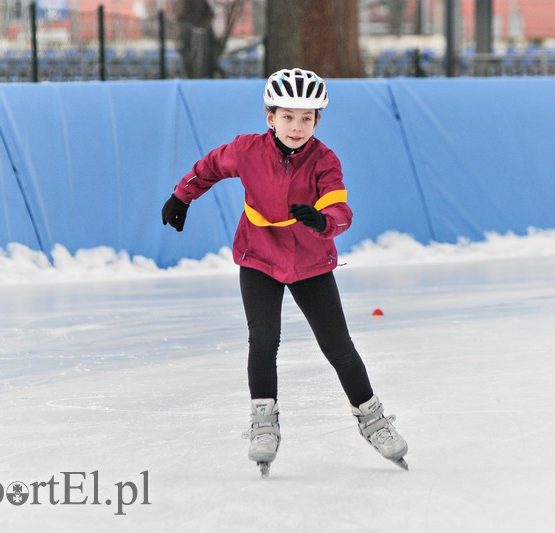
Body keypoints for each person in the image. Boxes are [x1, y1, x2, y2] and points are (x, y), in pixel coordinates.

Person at [161, 67, 408, 475]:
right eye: (288, 116)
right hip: (259, 257)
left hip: (310, 262)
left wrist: (323, 221)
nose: (297, 126)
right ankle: (263, 423)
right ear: (270, 117)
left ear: (317, 121)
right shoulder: (246, 149)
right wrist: (182, 196)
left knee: (338, 346)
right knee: (263, 340)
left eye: (306, 118)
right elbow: (209, 167)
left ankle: (373, 420)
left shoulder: (325, 160)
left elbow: (340, 209)